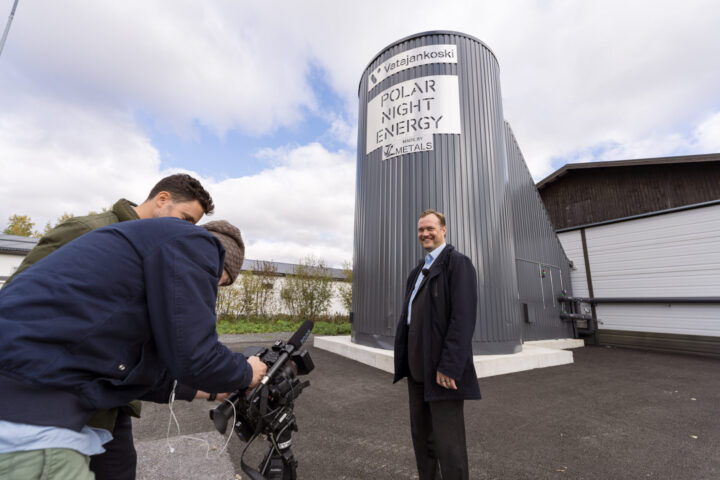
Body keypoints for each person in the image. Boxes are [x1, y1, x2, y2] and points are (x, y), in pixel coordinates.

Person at [0, 216, 267, 479]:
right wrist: (246, 370)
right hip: (29, 425)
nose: (216, 288)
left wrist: (212, 391)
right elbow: (196, 355)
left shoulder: (126, 286)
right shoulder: (197, 244)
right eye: (220, 279)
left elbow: (134, 371)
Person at [393, 209, 481, 480]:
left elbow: (462, 319)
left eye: (430, 228)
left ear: (443, 230)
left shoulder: (457, 264)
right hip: (416, 368)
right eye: (421, 230)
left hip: (442, 371)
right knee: (423, 438)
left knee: (448, 443)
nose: (425, 234)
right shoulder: (417, 271)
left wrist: (450, 367)